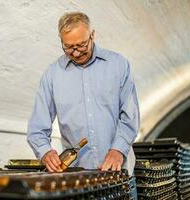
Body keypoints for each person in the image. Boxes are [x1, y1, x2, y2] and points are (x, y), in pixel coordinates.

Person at [27, 12, 140, 176]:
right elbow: (37, 128)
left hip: (120, 172)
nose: (76, 53)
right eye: (68, 47)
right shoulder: (51, 75)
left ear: (92, 35)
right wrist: (45, 152)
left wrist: (118, 149)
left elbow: (130, 116)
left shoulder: (118, 65)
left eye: (81, 45)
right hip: (77, 176)